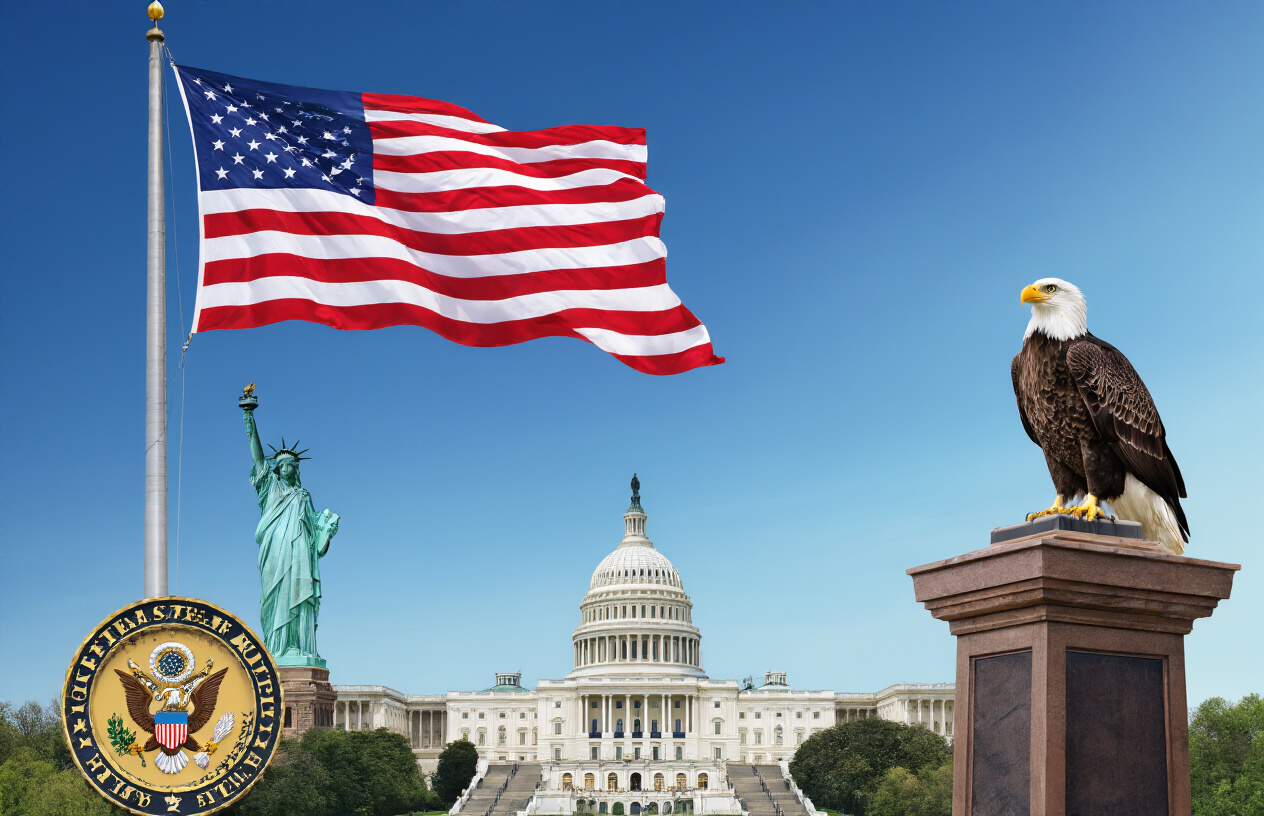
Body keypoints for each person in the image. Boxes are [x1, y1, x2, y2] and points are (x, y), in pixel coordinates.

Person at [244, 407, 339, 664]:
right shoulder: (270, 488)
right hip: (275, 550)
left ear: (296, 469)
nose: (285, 468)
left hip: (300, 554)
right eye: (281, 465)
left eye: (290, 465)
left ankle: (300, 647)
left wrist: (327, 531)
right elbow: (258, 459)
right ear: (277, 468)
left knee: (300, 599)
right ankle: (277, 648)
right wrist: (250, 421)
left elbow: (315, 538)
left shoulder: (303, 496)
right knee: (275, 598)